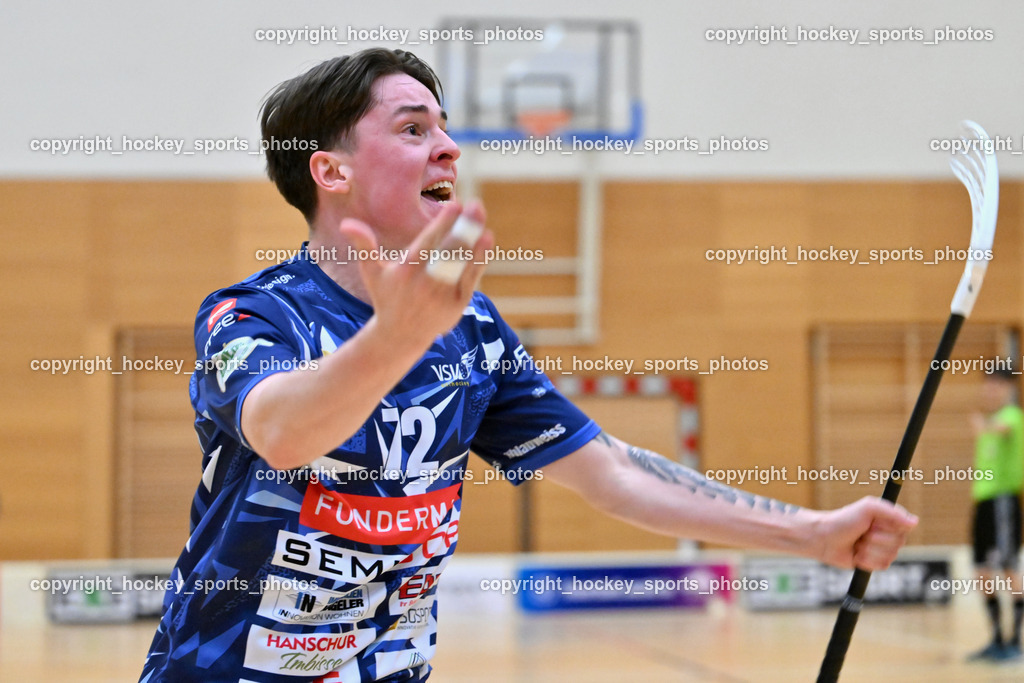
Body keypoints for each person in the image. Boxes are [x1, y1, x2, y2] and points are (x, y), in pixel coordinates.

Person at [139, 48, 917, 682]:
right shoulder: (250, 315)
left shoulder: (471, 330)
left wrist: (812, 533)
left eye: (445, 128)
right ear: (331, 171)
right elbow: (282, 431)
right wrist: (395, 340)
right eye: (412, 129)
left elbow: (614, 474)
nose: (448, 147)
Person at [968, 367, 1024, 662]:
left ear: (1007, 388)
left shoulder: (1011, 416)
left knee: (1009, 568)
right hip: (983, 502)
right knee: (982, 571)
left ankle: (1015, 641)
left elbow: (1004, 429)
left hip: (1003, 501)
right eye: (988, 384)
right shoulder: (990, 422)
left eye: (997, 384)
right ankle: (997, 639)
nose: (990, 389)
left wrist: (983, 426)